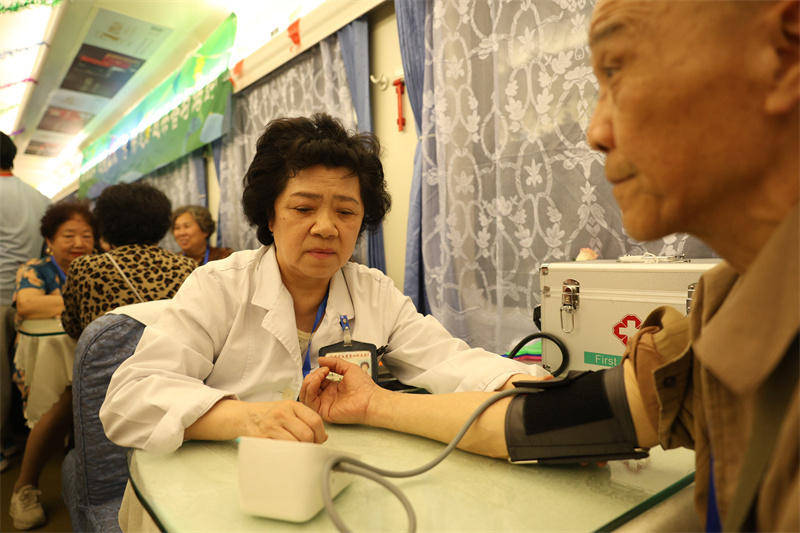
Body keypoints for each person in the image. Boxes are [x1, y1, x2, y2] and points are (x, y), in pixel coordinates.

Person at [300, 2, 799, 531]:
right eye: (303, 208)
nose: (594, 131)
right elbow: (539, 421)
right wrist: (374, 404)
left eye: (617, 71)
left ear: (784, 54)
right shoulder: (725, 309)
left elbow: (460, 368)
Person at [99, 113, 548, 455]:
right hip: (224, 482)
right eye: (303, 208)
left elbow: (448, 361)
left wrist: (527, 384)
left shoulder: (373, 292)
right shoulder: (218, 287)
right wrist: (248, 419)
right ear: (270, 216)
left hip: (335, 473)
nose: (327, 227)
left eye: (346, 212)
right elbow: (127, 401)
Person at [8, 201, 95, 530]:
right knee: (62, 403)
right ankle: (24, 487)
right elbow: (28, 304)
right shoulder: (35, 269)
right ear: (49, 240)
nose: (78, 243)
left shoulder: (98, 267)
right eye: (68, 236)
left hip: (87, 354)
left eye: (86, 235)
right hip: (44, 355)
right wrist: (83, 301)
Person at [61, 183, 196, 340]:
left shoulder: (85, 268)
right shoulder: (187, 267)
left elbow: (73, 328)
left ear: (104, 223)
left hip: (109, 356)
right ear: (164, 223)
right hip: (174, 355)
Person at [0, 132, 50, 471]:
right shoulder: (41, 198)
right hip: (31, 298)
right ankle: (32, 435)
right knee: (27, 370)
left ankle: (3, 445)